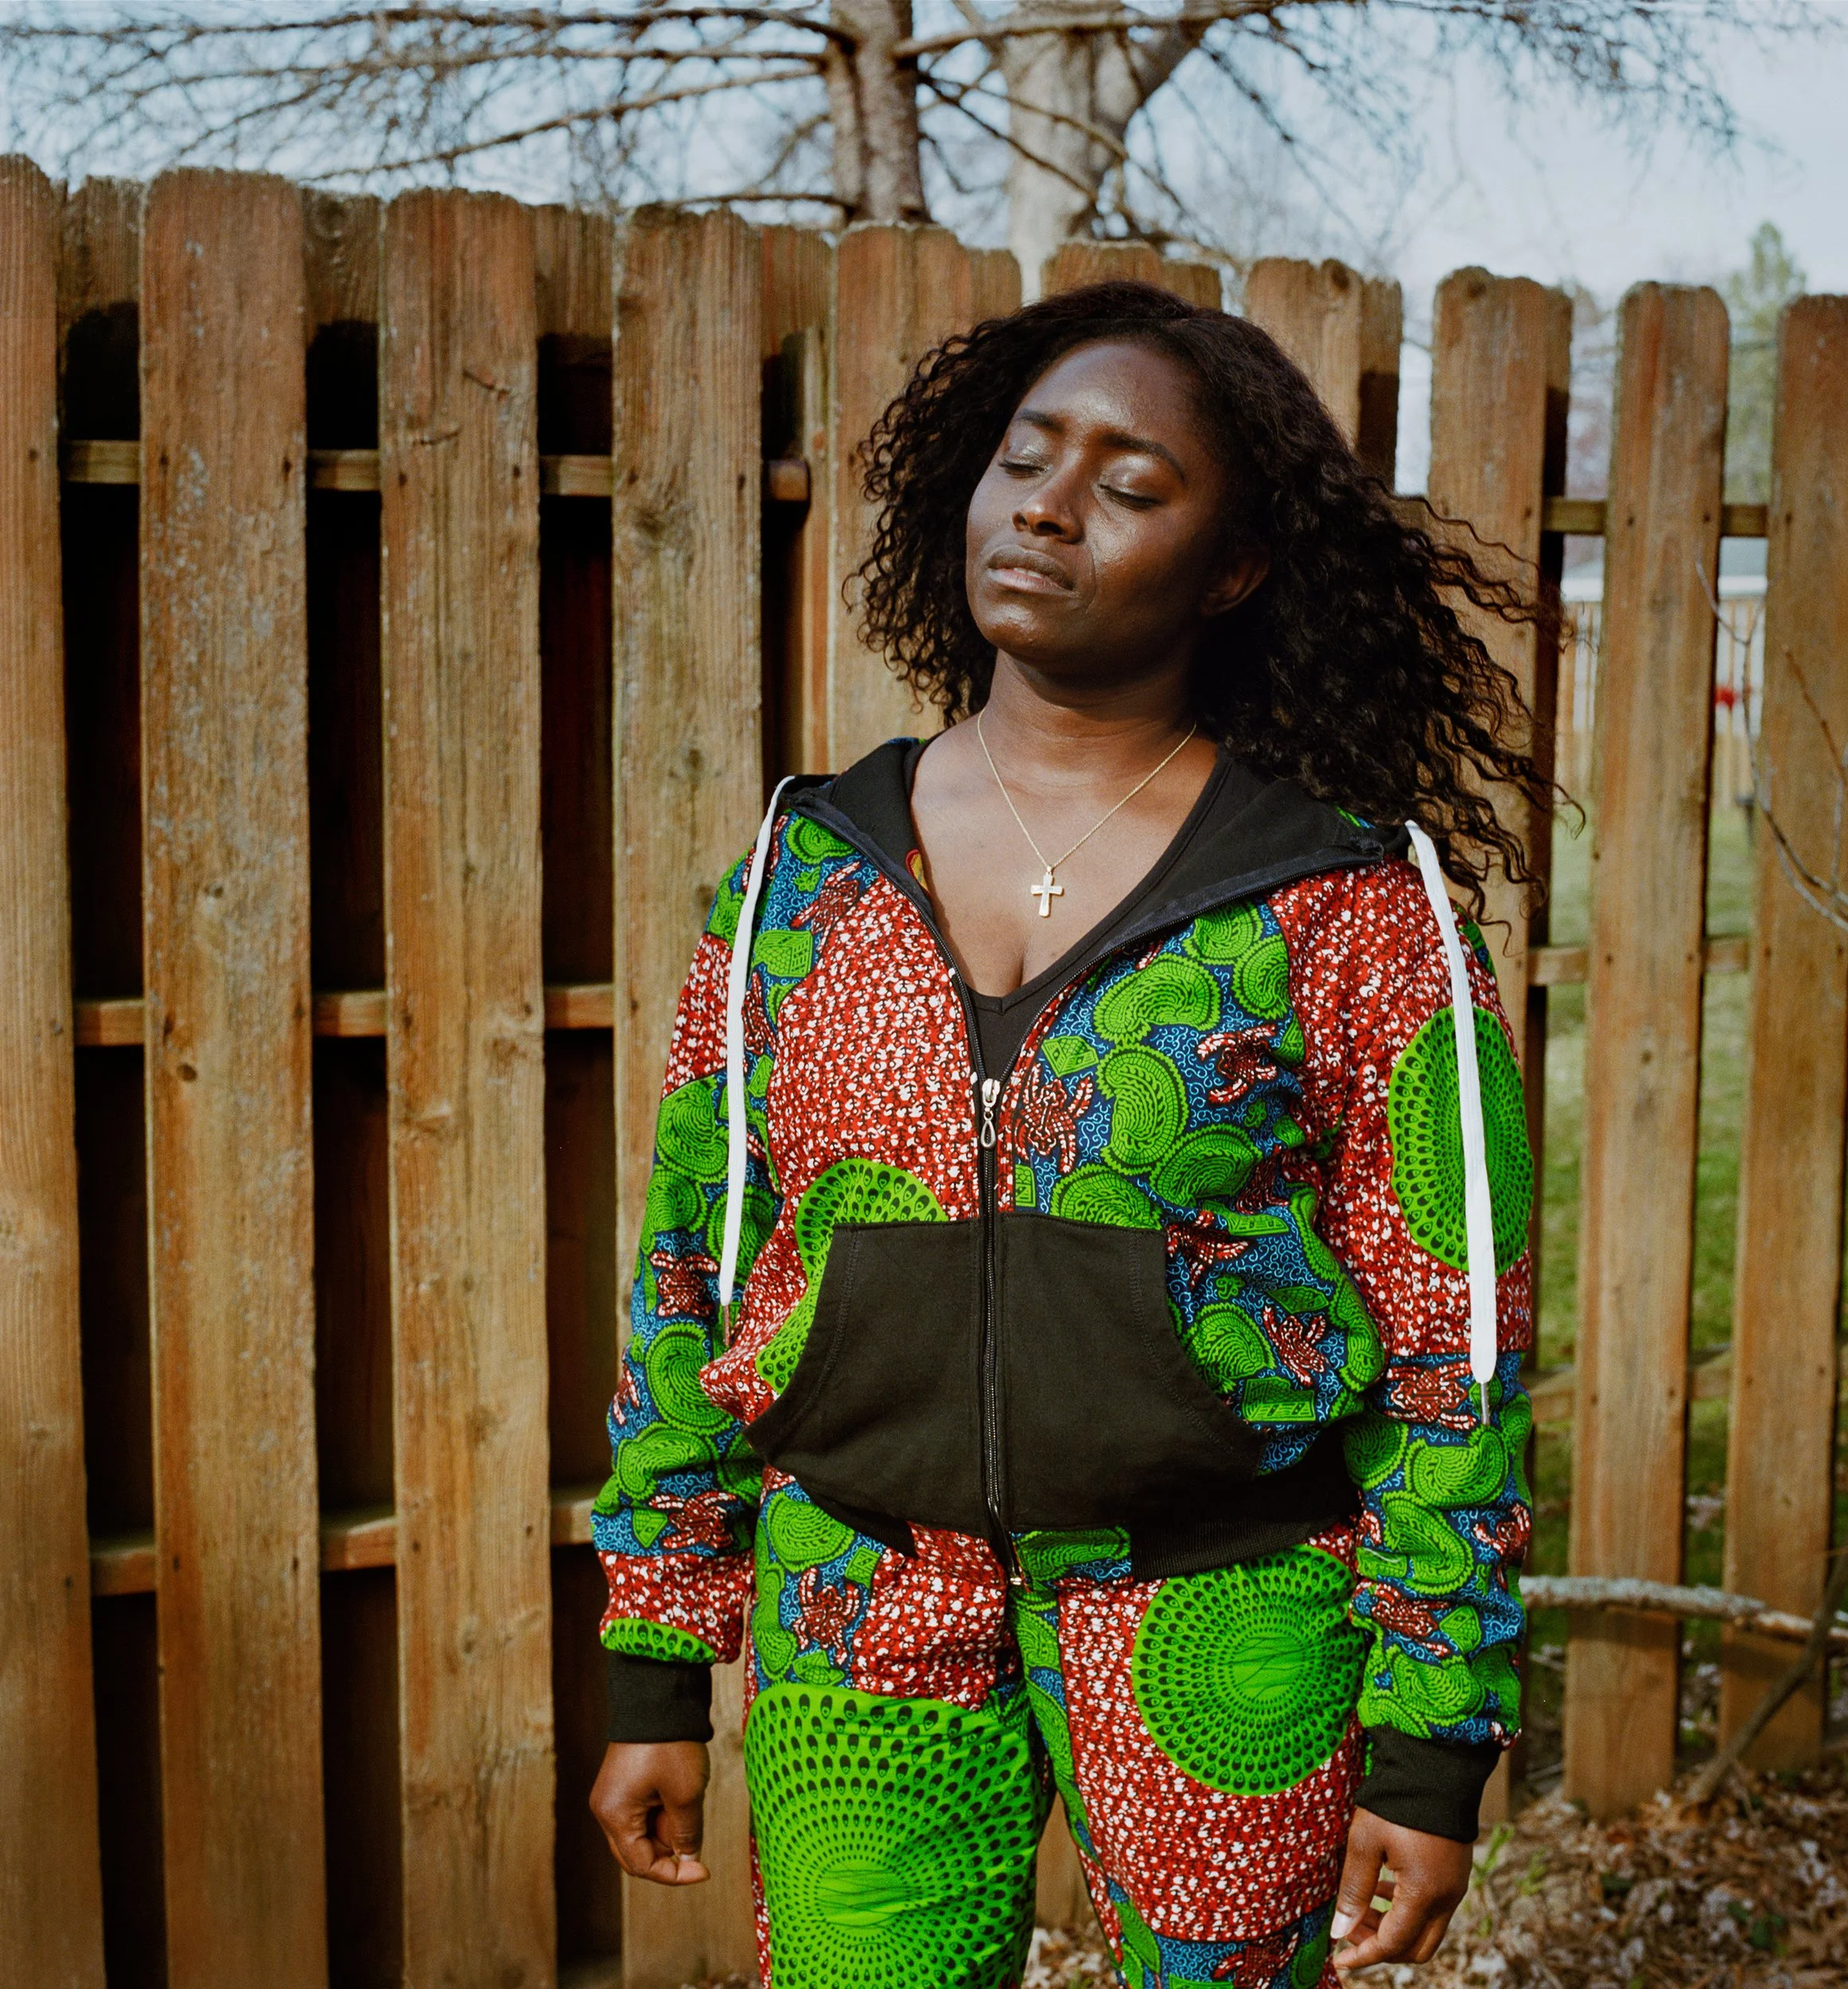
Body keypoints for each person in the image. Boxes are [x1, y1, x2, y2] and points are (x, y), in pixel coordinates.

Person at [588, 280, 1543, 1988]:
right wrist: (660, 1645)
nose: (1044, 501)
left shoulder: (1345, 898)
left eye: (1125, 479)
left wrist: (1433, 1732)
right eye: (1023, 458)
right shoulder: (804, 872)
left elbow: (1446, 1336)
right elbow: (698, 1263)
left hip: (1224, 1607)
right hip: (858, 1599)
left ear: (1234, 564)